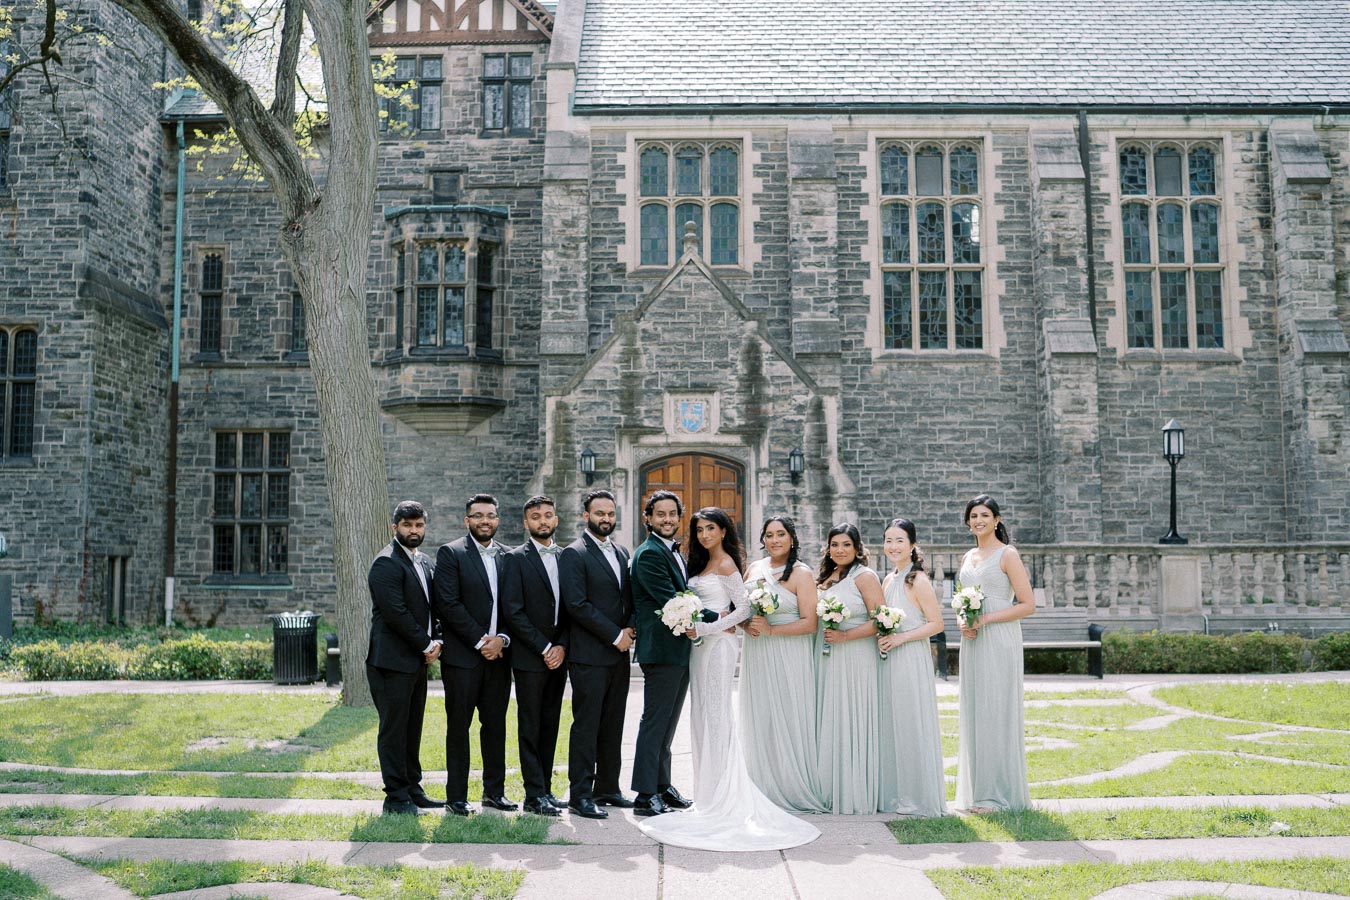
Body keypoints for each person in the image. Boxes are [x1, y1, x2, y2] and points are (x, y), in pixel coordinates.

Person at [638, 508, 819, 851]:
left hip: (719, 647)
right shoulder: (696, 563)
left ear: (723, 532)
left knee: (718, 715)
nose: (704, 535)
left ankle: (723, 797)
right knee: (702, 716)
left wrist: (706, 627)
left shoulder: (726, 565)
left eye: (711, 528)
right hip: (698, 648)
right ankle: (706, 795)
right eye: (699, 529)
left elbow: (743, 609)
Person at [432, 493, 514, 817]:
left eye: (490, 515)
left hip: (499, 657)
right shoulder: (451, 553)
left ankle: (494, 793)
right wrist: (481, 641)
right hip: (463, 659)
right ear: (467, 521)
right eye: (478, 515)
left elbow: (513, 604)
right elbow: (448, 604)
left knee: (495, 727)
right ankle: (456, 797)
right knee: (459, 728)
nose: (485, 521)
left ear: (497, 519)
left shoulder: (509, 556)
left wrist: (502, 639)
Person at [739, 514, 828, 812]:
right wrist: (746, 626)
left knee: (789, 715)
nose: (774, 540)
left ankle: (791, 784)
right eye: (769, 534)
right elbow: (740, 610)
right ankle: (759, 782)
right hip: (758, 654)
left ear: (792, 538)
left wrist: (772, 630)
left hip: (791, 654)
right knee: (760, 714)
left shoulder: (802, 574)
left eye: (780, 534)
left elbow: (810, 623)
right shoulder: (754, 569)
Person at [955, 494, 1035, 813]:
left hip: (1000, 638)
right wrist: (964, 620)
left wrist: (986, 618)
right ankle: (977, 791)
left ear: (997, 520)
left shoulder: (1008, 554)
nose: (978, 520)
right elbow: (963, 598)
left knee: (996, 711)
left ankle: (997, 795)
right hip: (973, 640)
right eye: (973, 516)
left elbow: (1027, 605)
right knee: (975, 711)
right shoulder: (968, 556)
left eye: (985, 515)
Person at [559, 489, 635, 819]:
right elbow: (576, 605)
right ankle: (580, 794)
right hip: (589, 654)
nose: (606, 518)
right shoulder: (574, 554)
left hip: (619, 655)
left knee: (613, 724)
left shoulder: (621, 552)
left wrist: (630, 629)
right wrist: (614, 634)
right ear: (585, 515)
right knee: (587, 725)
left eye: (610, 513)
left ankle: (607, 787)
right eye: (599, 513)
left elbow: (628, 598)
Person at [365, 500, 445, 815]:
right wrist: (426, 645)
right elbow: (395, 613)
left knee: (413, 728)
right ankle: (395, 797)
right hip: (390, 662)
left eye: (419, 525)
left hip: (416, 661)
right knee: (394, 730)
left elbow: (433, 608)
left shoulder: (424, 562)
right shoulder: (385, 563)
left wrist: (437, 640)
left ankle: (413, 788)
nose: (414, 531)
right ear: (394, 527)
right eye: (407, 525)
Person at [629, 489, 699, 817]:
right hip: (660, 650)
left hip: (678, 650)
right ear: (649, 518)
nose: (667, 519)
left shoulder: (671, 551)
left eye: (673, 513)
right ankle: (645, 794)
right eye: (661, 514)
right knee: (655, 722)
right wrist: (724, 617)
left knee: (668, 724)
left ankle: (662, 785)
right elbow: (672, 600)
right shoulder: (650, 554)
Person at [876, 518, 948, 817]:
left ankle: (919, 796)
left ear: (912, 545)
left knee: (912, 721)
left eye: (899, 541)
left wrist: (902, 637)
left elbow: (936, 624)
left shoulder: (917, 579)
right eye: (888, 540)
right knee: (893, 723)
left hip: (911, 658)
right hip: (889, 659)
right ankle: (897, 792)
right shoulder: (889, 580)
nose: (893, 546)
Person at [503, 495, 569, 817]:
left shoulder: (568, 556)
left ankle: (546, 789)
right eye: (535, 517)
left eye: (547, 515)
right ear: (525, 522)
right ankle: (533, 795)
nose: (542, 521)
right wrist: (545, 647)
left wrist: (562, 646)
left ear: (556, 519)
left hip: (560, 656)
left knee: (551, 723)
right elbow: (513, 612)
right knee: (530, 725)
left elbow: (573, 608)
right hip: (531, 657)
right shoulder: (516, 559)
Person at [815, 523, 883, 814]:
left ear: (857, 548)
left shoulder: (864, 577)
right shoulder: (825, 578)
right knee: (830, 715)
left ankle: (854, 789)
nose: (839, 550)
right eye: (834, 544)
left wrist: (845, 636)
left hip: (855, 655)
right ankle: (828, 786)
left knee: (851, 715)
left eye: (846, 544)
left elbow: (882, 620)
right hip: (826, 656)